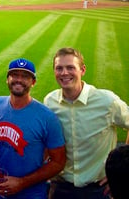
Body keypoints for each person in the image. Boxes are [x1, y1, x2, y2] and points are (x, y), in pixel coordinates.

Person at [44, 47, 129, 199]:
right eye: (59, 68)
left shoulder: (107, 101)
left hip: (98, 189)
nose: (64, 73)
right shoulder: (50, 102)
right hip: (60, 188)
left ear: (82, 70)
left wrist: (124, 165)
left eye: (70, 67)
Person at [0, 58, 66, 199]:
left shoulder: (47, 117)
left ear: (33, 82)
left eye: (25, 76)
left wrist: (22, 182)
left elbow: (58, 162)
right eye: (15, 75)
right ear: (7, 79)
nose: (19, 80)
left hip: (31, 194)